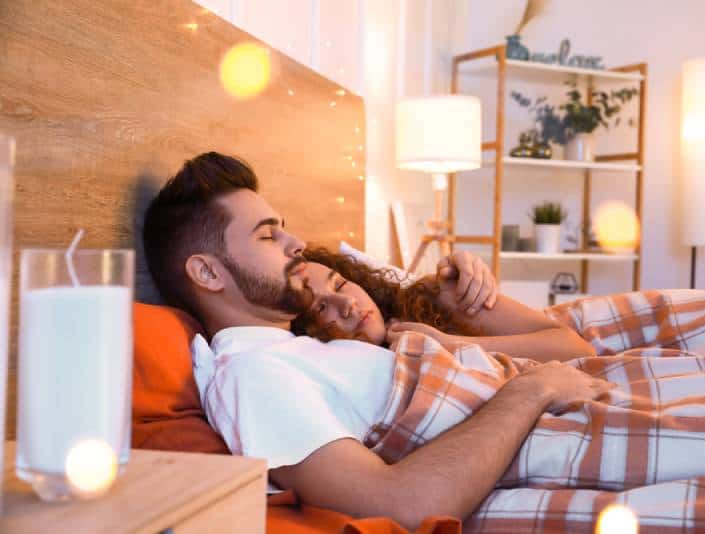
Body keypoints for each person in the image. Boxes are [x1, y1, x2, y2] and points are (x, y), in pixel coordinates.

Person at [142, 152, 613, 529]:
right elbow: (400, 504)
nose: (297, 243)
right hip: (554, 419)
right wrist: (533, 389)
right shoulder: (252, 374)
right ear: (206, 272)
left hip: (571, 400)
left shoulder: (307, 349)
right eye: (269, 236)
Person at [290, 247, 596, 361]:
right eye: (321, 307)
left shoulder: (432, 298)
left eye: (341, 283)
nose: (347, 304)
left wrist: (448, 345)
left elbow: (576, 348)